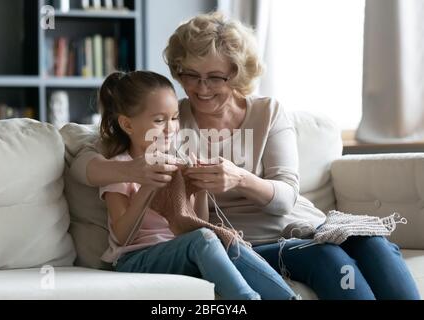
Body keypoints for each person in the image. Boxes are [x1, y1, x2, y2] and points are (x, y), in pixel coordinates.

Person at [72, 13, 420, 300]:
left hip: (306, 224)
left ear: (239, 73)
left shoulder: (267, 113)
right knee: (329, 259)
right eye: (190, 75)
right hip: (253, 241)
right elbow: (86, 158)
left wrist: (239, 178)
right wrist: (137, 169)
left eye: (215, 77)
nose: (202, 88)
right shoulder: (169, 121)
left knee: (372, 244)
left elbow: (286, 197)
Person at [95, 70, 299, 300]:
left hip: (182, 251)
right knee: (205, 238)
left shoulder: (176, 159)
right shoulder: (120, 168)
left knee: (223, 238)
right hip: (134, 259)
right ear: (127, 125)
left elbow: (196, 223)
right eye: (159, 120)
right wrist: (148, 186)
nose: (170, 128)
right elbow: (122, 236)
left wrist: (200, 188)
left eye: (174, 118)